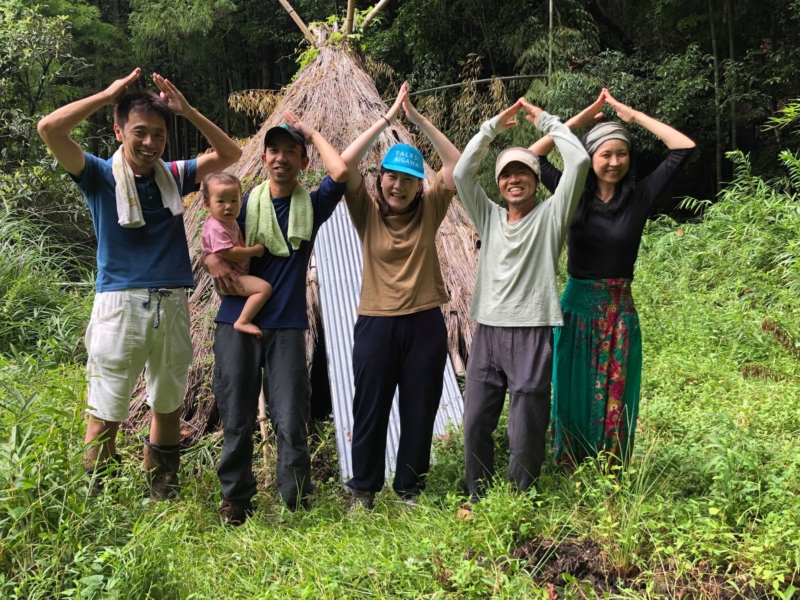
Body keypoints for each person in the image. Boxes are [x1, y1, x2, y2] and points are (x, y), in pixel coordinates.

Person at [37, 68, 242, 499]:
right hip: (120, 304)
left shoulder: (175, 174)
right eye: (139, 133)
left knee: (168, 406)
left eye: (159, 135)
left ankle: (161, 494)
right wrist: (109, 94)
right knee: (105, 411)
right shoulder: (97, 174)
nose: (150, 143)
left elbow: (230, 152)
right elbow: (49, 129)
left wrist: (187, 112)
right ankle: (99, 501)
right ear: (118, 131)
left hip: (172, 302)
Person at [530, 89, 695, 470]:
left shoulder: (640, 197)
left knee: (616, 392)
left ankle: (610, 465)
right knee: (571, 385)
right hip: (576, 308)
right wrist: (577, 122)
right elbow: (533, 157)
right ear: (589, 158)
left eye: (621, 153)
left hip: (620, 310)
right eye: (606, 153)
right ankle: (571, 462)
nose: (615, 161)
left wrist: (633, 116)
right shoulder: (572, 195)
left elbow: (682, 148)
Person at [204, 111, 348, 524]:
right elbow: (212, 233)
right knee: (236, 415)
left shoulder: (313, 205)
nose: (281, 157)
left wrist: (313, 131)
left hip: (286, 323)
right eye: (274, 151)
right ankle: (236, 500)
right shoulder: (244, 204)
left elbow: (338, 172)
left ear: (303, 162)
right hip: (236, 321)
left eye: (292, 152)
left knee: (290, 417)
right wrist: (212, 259)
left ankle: (297, 500)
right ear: (263, 158)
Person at [453, 98, 590, 504]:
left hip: (532, 328)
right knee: (476, 419)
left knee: (526, 423)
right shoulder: (489, 217)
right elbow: (462, 172)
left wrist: (545, 119)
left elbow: (579, 162)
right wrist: (491, 128)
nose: (515, 180)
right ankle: (478, 495)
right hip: (488, 331)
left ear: (535, 178)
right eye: (507, 174)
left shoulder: (552, 215)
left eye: (524, 173)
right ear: (499, 183)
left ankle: (518, 497)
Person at [339, 83, 461, 509]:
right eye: (392, 176)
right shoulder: (366, 212)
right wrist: (388, 119)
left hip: (425, 322)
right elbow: (342, 165)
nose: (399, 185)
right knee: (369, 409)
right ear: (381, 179)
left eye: (408, 179)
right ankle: (363, 490)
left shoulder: (430, 207)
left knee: (418, 410)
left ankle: (409, 490)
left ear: (417, 185)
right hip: (376, 322)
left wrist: (418, 120)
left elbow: (456, 164)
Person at [200, 172, 272, 337]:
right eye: (221, 201)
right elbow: (229, 252)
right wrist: (255, 250)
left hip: (234, 273)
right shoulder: (215, 227)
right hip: (232, 276)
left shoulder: (228, 221)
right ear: (207, 205)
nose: (228, 206)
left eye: (234, 200)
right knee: (263, 289)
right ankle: (244, 320)